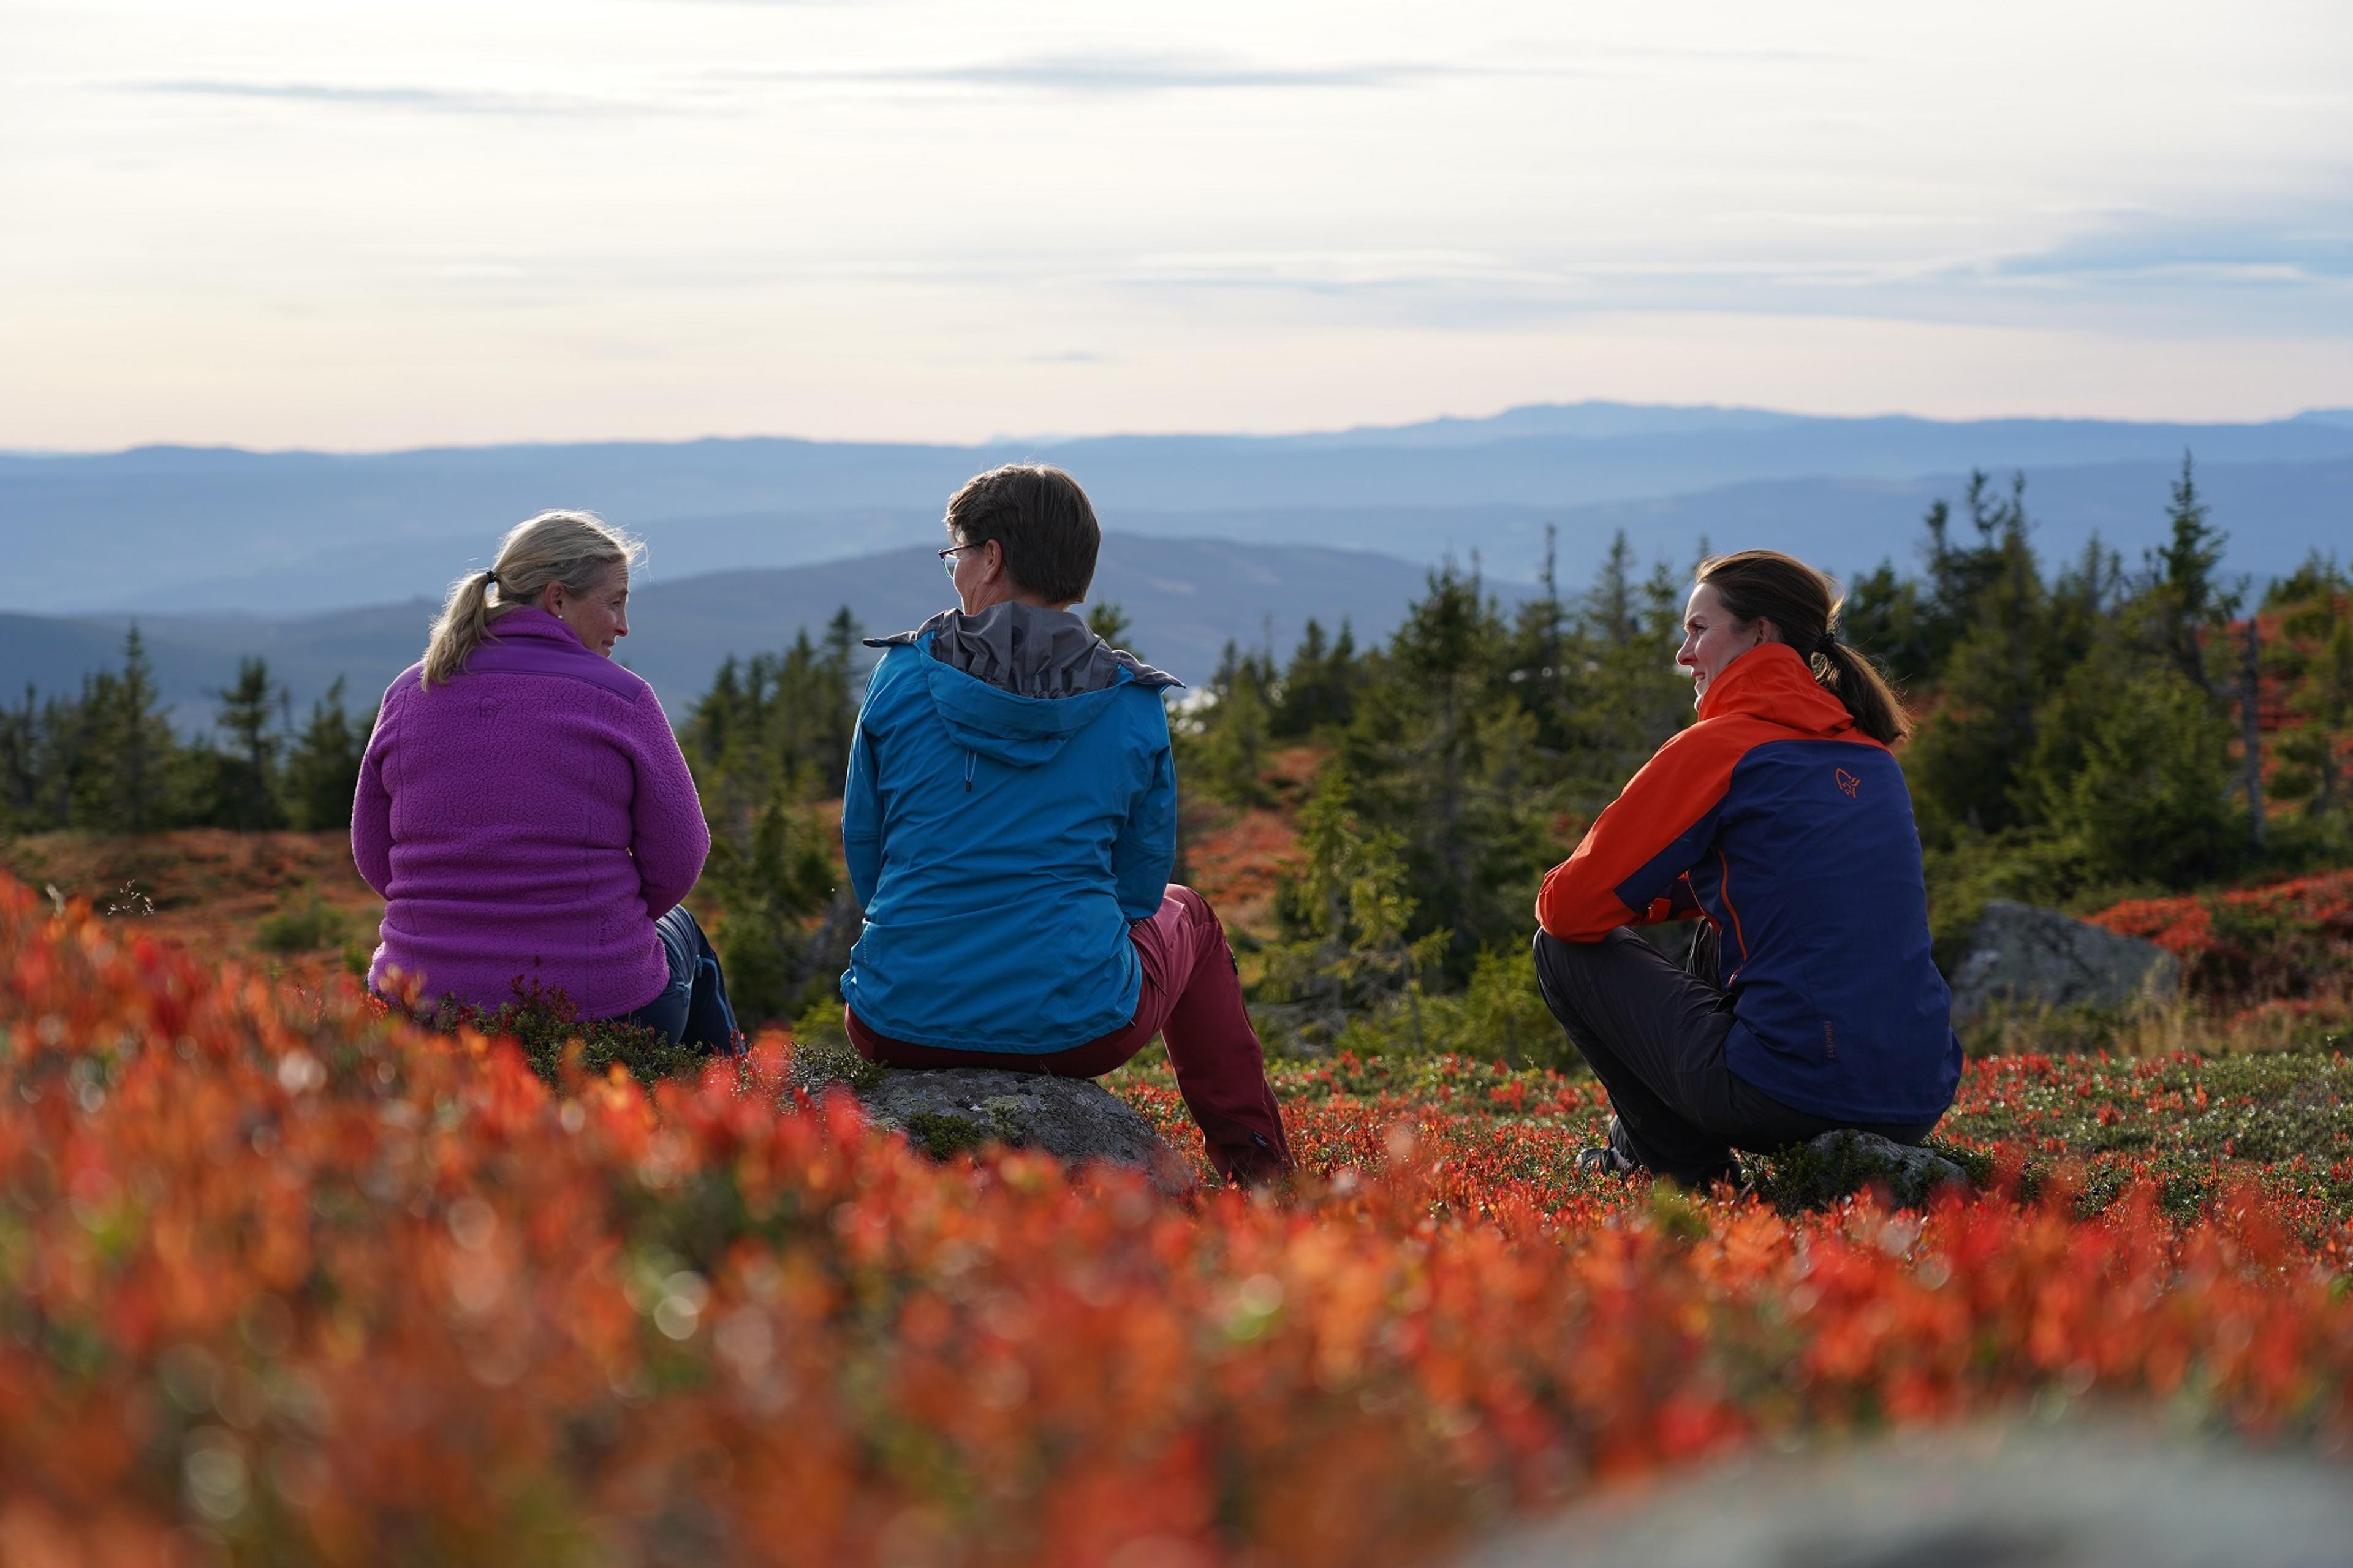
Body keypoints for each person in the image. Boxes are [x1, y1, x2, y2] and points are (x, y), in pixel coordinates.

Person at [838, 464, 1294, 1184]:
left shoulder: (899, 678)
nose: (955, 571)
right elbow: (1141, 889)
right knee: (1192, 917)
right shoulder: (1132, 701)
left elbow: (866, 851)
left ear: (992, 558)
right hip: (1080, 1029)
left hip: (895, 1020)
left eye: (957, 554)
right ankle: (1258, 1170)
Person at [1531, 548, 1960, 1186]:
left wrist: (1639, 890)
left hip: (1785, 1094)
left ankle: (1684, 1174)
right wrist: (1683, 892)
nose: (1684, 654)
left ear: (1760, 633)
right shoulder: (1872, 758)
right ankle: (1635, 1147)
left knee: (1559, 949)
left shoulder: (1721, 748)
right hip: (1916, 1098)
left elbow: (1568, 907)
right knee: (1721, 923)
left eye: (1698, 630)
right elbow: (1795, 879)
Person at [352, 510, 738, 1051]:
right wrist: (595, 923)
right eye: (615, 601)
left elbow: (375, 856)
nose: (623, 626)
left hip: (420, 1008)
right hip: (601, 1011)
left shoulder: (410, 692)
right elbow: (682, 857)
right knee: (687, 935)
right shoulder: (621, 698)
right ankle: (737, 1112)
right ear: (557, 599)